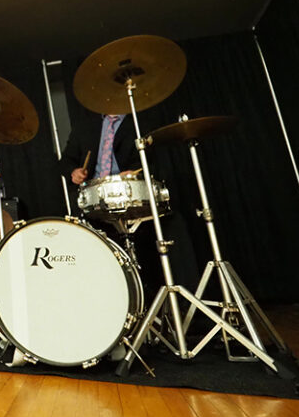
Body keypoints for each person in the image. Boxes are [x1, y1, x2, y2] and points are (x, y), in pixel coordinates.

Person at [58, 110, 198, 294]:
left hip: (136, 195)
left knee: (159, 242)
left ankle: (165, 296)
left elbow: (158, 157)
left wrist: (135, 172)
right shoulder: (85, 126)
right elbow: (65, 161)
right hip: (97, 199)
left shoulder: (141, 122)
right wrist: (73, 172)